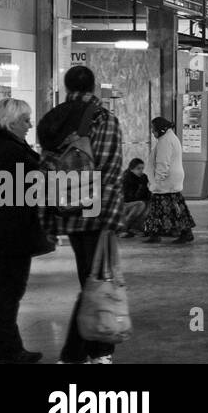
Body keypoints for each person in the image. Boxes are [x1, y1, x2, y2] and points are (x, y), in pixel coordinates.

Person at [37, 65, 124, 364]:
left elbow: (45, 169)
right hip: (95, 211)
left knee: (90, 278)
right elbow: (111, 169)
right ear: (93, 87)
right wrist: (112, 216)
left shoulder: (53, 119)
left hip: (67, 211)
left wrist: (49, 216)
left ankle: (92, 350)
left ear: (66, 85)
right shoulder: (104, 119)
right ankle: (81, 353)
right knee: (95, 281)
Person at [0, 98, 43, 364]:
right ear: (12, 122)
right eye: (25, 120)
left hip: (8, 233)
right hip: (11, 236)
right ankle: (9, 350)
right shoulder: (12, 152)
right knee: (9, 292)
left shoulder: (10, 147)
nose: (30, 125)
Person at [141, 117, 196, 245]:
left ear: (161, 129)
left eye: (153, 129)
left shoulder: (165, 141)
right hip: (170, 180)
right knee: (168, 207)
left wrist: (157, 181)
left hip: (166, 180)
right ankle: (158, 233)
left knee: (165, 208)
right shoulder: (169, 138)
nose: (153, 132)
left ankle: (183, 233)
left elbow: (162, 163)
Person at [120, 158, 151, 238]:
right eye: (138, 168)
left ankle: (135, 228)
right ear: (131, 169)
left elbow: (147, 193)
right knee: (140, 204)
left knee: (149, 203)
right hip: (124, 204)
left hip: (137, 202)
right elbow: (127, 197)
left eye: (142, 168)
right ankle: (123, 228)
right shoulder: (126, 178)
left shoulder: (143, 178)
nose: (141, 171)